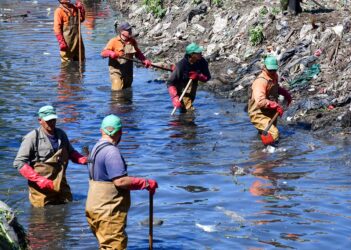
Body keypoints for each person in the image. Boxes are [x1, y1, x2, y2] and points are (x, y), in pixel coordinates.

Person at [85, 114, 158, 249]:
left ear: (101, 130)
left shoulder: (95, 149)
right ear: (120, 132)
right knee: (114, 246)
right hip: (108, 211)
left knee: (105, 246)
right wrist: (146, 183)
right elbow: (120, 181)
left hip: (93, 208)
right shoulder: (112, 152)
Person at [13, 105, 88, 207]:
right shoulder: (32, 137)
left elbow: (70, 152)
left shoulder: (61, 134)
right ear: (40, 120)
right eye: (48, 121)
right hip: (41, 189)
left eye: (53, 120)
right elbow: (19, 163)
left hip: (61, 184)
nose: (52, 123)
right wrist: (39, 179)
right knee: (42, 216)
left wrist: (82, 159)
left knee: (66, 210)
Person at [248, 56, 292, 146]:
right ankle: (272, 154)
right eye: (270, 70)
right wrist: (276, 105)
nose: (272, 72)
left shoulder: (274, 76)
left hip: (270, 112)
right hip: (258, 113)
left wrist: (286, 94)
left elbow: (274, 88)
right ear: (264, 68)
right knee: (274, 133)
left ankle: (260, 148)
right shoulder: (260, 81)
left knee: (266, 133)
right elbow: (260, 101)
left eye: (274, 70)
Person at [101, 22, 152, 91]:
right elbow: (103, 53)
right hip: (116, 71)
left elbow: (138, 53)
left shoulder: (132, 41)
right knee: (117, 91)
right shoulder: (113, 41)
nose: (130, 31)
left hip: (128, 72)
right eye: (128, 30)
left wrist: (144, 60)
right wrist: (110, 53)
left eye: (130, 29)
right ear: (122, 32)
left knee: (127, 91)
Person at [167, 43, 211, 113]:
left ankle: (183, 119)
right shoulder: (181, 65)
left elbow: (207, 77)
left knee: (186, 107)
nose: (201, 54)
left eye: (200, 52)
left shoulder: (202, 62)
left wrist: (198, 76)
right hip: (181, 87)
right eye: (198, 53)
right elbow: (170, 82)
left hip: (193, 85)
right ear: (191, 54)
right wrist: (174, 98)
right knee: (188, 111)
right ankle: (186, 121)